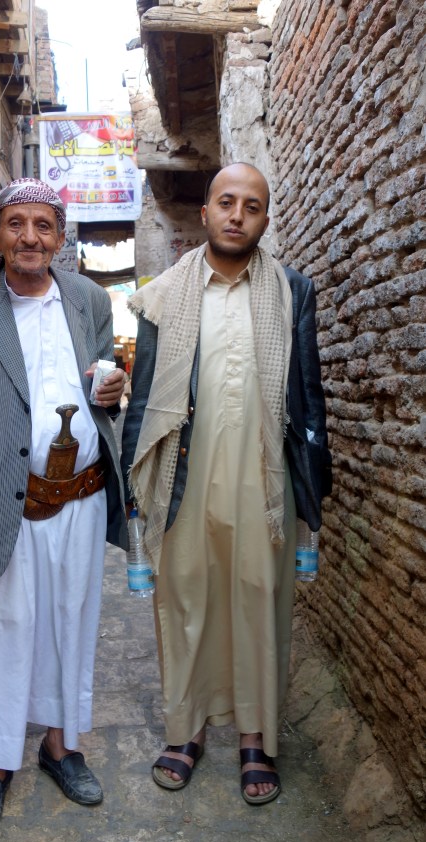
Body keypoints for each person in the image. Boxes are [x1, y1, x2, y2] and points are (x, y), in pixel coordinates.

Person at [121, 162, 331, 804]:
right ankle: (184, 731)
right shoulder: (166, 294)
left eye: (253, 205)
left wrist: (312, 492)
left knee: (258, 600)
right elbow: (147, 393)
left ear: (266, 219)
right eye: (227, 202)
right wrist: (135, 481)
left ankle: (254, 736)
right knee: (185, 600)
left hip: (262, 481)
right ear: (207, 212)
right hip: (186, 474)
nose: (238, 214)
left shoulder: (291, 291)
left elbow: (308, 394)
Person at [0, 178, 128, 839]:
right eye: (16, 224)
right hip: (0, 496)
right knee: (0, 627)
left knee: (72, 620)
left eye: (44, 224)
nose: (30, 237)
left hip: (80, 498)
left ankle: (61, 745)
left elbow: (101, 389)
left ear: (61, 236)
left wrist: (114, 391)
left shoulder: (90, 300)